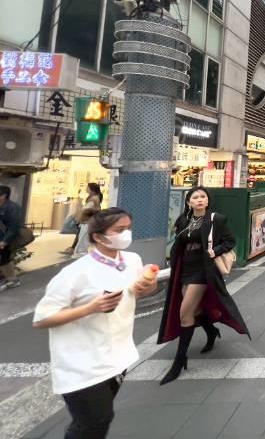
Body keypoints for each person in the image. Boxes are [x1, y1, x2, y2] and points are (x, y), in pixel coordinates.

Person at [33, 208, 157, 438]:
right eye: (119, 230)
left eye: (129, 228)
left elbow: (139, 292)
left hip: (117, 357)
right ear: (98, 237)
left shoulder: (132, 260)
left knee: (98, 421)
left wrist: (148, 286)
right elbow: (41, 318)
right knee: (94, 421)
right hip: (82, 363)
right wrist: (90, 308)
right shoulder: (76, 273)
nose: (126, 234)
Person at [157, 186, 250, 385]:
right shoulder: (183, 220)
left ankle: (179, 361)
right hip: (185, 269)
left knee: (184, 313)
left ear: (207, 201)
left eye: (203, 196)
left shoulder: (216, 219)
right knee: (196, 310)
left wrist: (215, 251)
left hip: (203, 271)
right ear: (189, 202)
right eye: (195, 197)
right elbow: (179, 244)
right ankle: (211, 331)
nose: (199, 199)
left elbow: (230, 241)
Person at [0, 185, 23, 291]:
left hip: (5, 238)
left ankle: (13, 280)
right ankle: (11, 279)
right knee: (3, 259)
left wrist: (5, 241)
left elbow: (14, 226)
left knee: (4, 259)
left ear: (3, 196)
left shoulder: (13, 208)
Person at [72, 183, 103, 257]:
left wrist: (79, 204)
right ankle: (81, 253)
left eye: (88, 188)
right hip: (87, 222)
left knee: (83, 239)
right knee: (83, 239)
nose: (86, 189)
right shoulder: (94, 198)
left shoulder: (93, 199)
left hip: (87, 222)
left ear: (92, 190)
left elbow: (85, 209)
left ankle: (82, 253)